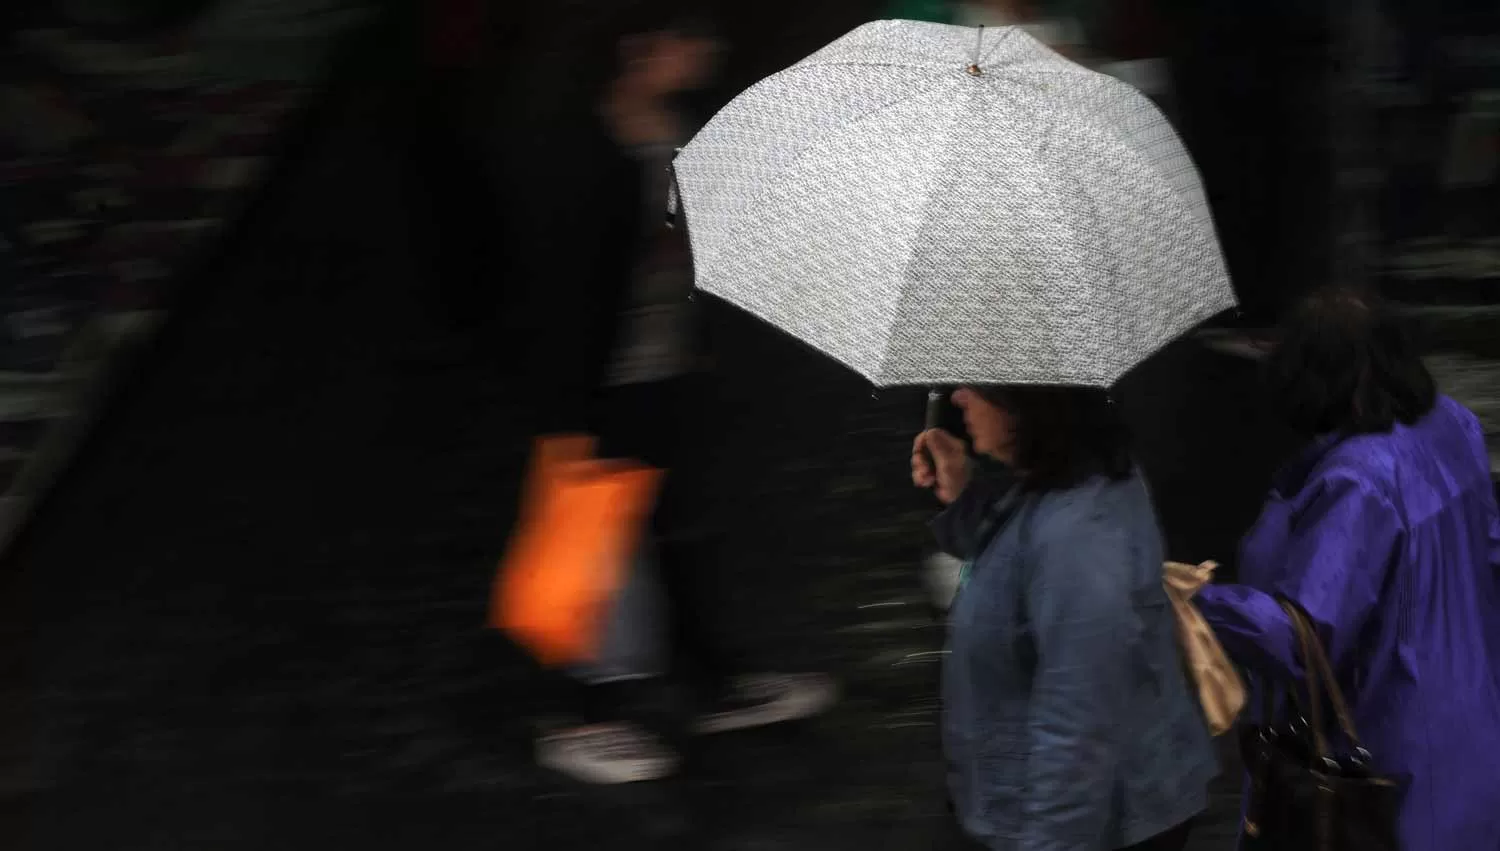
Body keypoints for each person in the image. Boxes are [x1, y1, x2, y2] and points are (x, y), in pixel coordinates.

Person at [498, 6, 837, 786]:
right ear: (640, 49)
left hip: (659, 364)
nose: (707, 50)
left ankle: (712, 680)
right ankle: (578, 714)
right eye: (690, 38)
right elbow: (556, 285)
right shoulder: (579, 146)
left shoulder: (671, 129)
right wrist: (561, 408)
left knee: (679, 529)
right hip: (600, 377)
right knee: (584, 542)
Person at [1193, 287, 1500, 851]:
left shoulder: (1355, 483)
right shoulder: (1455, 427)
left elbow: (1301, 636)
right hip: (1475, 731)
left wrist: (1197, 601)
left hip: (1390, 758)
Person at [912, 386, 1215, 851]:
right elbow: (1018, 576)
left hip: (1099, 825)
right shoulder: (1061, 484)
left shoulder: (1081, 534)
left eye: (976, 386)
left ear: (1026, 402)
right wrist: (964, 495)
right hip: (1066, 807)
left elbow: (1078, 727)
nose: (958, 397)